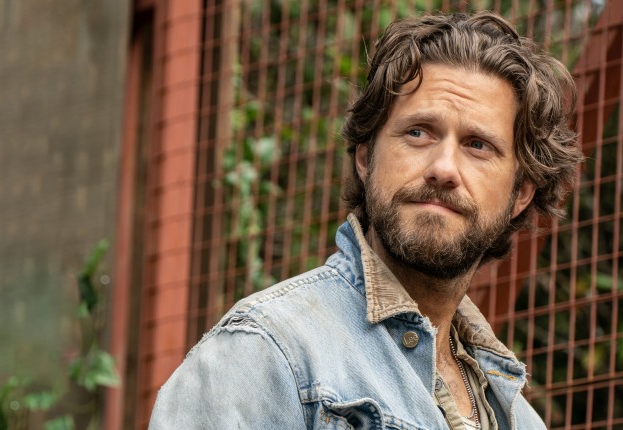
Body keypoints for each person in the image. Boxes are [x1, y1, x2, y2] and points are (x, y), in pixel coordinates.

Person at [149, 11, 583, 430]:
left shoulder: (521, 420)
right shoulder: (268, 354)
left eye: (478, 145)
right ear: (365, 158)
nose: (443, 168)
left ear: (520, 194)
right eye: (418, 132)